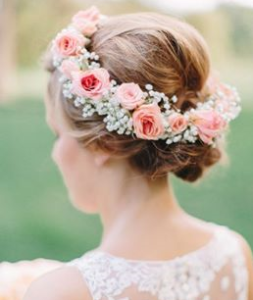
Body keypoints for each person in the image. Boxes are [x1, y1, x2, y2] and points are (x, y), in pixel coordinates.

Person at [23, 6, 253, 300]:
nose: (55, 154)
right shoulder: (232, 255)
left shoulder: (62, 292)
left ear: (103, 143)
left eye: (58, 134)